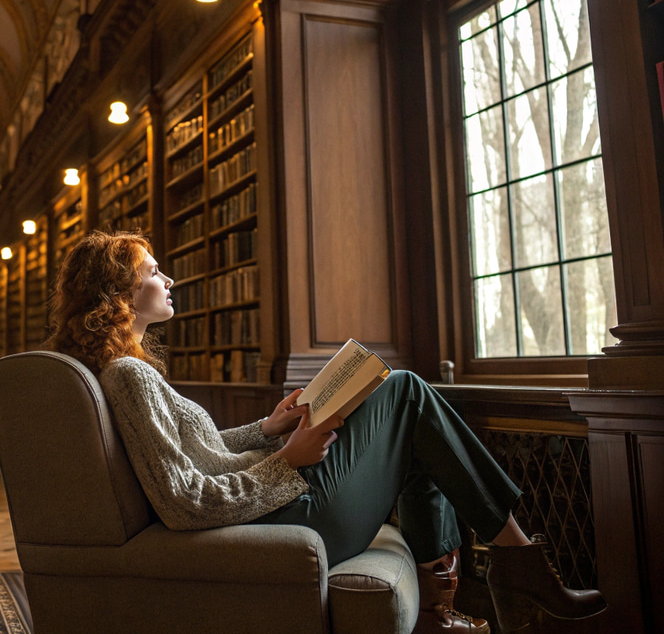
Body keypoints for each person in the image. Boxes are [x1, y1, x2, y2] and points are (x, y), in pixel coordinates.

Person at [43, 230, 607, 634]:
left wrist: (270, 427)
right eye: (151, 273)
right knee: (406, 391)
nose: (168, 278)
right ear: (118, 295)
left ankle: (449, 608)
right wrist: (287, 460)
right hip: (286, 515)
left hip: (275, 506)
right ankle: (520, 565)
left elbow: (205, 457)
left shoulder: (127, 372)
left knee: (412, 428)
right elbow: (185, 501)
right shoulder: (127, 376)